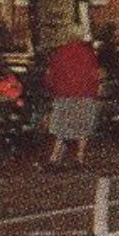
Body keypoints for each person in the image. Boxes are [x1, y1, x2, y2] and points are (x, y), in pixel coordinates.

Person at [42, 35, 103, 169]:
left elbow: (50, 75)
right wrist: (96, 90)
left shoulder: (59, 53)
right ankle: (79, 158)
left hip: (63, 96)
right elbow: (95, 75)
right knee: (83, 128)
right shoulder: (88, 54)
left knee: (62, 129)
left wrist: (54, 90)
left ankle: (54, 158)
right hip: (85, 95)